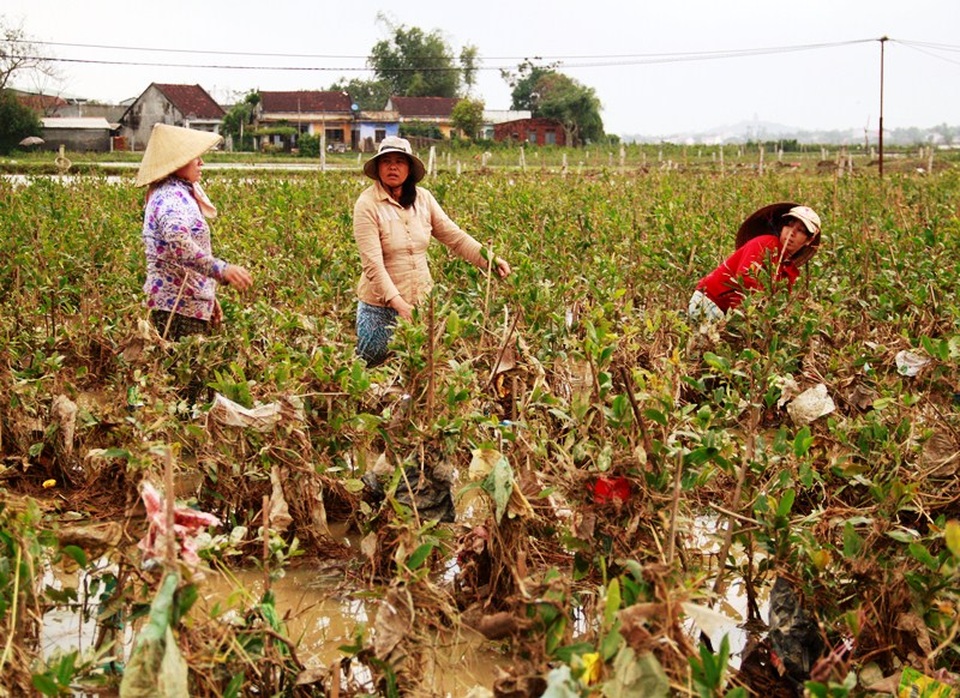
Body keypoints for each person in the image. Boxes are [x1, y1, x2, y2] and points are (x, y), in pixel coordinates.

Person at [353, 136, 511, 366]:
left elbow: (455, 237)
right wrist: (399, 305)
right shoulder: (367, 204)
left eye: (399, 161)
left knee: (418, 371)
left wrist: (490, 259)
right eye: (386, 161)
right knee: (373, 370)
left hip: (420, 302)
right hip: (380, 308)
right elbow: (372, 265)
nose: (392, 167)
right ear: (378, 168)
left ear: (409, 168)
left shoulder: (424, 199)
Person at [135, 124, 253, 402]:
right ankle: (174, 439)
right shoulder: (170, 199)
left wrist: (208, 295)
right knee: (183, 389)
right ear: (175, 163)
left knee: (181, 383)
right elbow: (179, 244)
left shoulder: (178, 192)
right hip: (175, 309)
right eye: (194, 157)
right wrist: (221, 270)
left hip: (184, 304)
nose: (201, 162)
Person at [689, 203, 822, 322]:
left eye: (800, 230)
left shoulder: (789, 270)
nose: (791, 233)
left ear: (808, 240)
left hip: (735, 314)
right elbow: (745, 277)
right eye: (789, 225)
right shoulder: (765, 243)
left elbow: (781, 302)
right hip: (710, 303)